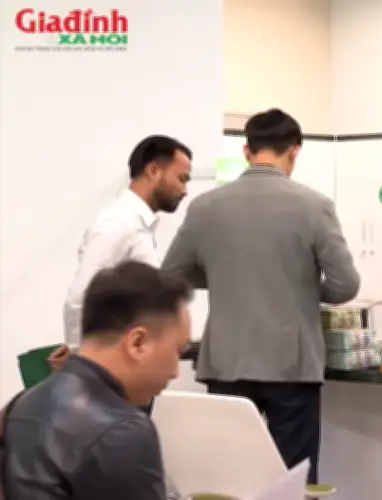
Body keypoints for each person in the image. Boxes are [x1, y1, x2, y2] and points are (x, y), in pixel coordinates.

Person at [162, 108, 360, 485]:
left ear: (246, 150)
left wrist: (223, 276)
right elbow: (345, 285)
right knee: (292, 479)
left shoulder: (205, 206)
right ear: (295, 151)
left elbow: (171, 274)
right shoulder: (314, 205)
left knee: (231, 479)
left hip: (226, 363)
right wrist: (300, 285)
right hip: (291, 365)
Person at [1, 261, 192, 499]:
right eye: (178, 350)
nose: (175, 371)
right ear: (137, 343)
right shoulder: (122, 430)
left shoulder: (22, 404)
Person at [53, 135, 192, 368]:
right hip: (111, 368)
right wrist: (81, 361)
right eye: (181, 179)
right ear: (154, 171)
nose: (185, 190)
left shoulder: (136, 225)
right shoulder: (119, 223)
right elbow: (80, 297)